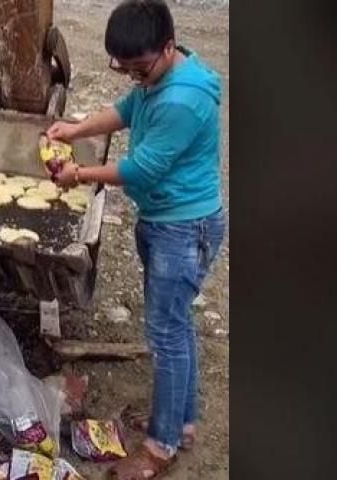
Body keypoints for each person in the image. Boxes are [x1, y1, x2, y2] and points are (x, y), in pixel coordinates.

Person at [46, 1, 225, 478]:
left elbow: (140, 168)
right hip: (167, 218)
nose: (132, 78)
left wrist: (79, 173)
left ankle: (160, 447)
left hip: (183, 226)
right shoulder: (157, 78)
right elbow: (126, 110)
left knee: (166, 335)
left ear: (167, 48)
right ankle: (180, 422)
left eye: (139, 68)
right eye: (123, 68)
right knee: (174, 326)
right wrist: (76, 129)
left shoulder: (182, 100)